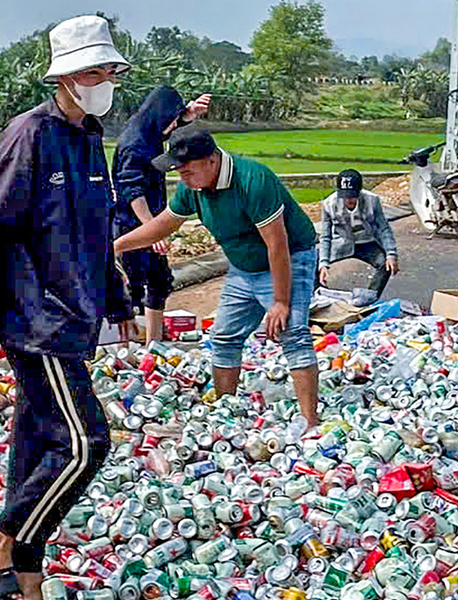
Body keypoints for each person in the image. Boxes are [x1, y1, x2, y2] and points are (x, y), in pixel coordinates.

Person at [0, 15, 133, 600]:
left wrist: (117, 298)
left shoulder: (90, 138)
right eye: (91, 71)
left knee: (35, 447)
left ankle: (27, 579)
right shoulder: (31, 134)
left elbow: (97, 229)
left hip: (75, 315)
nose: (102, 79)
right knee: (85, 444)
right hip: (36, 318)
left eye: (108, 70)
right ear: (65, 78)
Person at [113, 125, 321, 429]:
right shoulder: (193, 188)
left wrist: (280, 301)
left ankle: (310, 423)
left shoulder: (252, 180)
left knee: (293, 334)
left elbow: (277, 244)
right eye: (177, 170)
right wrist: (116, 246)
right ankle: (226, 412)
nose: (180, 176)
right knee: (223, 337)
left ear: (211, 160)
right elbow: (164, 225)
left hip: (289, 258)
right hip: (243, 266)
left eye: (186, 169)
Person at [112, 85, 210, 342]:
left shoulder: (150, 129)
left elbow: (167, 130)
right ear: (161, 116)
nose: (174, 125)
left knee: (159, 281)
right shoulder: (134, 144)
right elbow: (133, 191)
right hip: (132, 224)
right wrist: (152, 229)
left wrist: (188, 116)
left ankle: (152, 346)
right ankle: (124, 348)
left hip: (153, 220)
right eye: (173, 120)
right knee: (131, 288)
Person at [317, 169, 399, 306]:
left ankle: (369, 299)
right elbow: (326, 236)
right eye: (345, 196)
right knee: (314, 264)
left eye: (352, 196)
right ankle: (321, 300)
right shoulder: (328, 204)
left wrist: (391, 254)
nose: (349, 200)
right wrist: (323, 263)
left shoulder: (372, 201)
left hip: (366, 242)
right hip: (342, 243)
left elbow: (384, 228)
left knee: (385, 263)